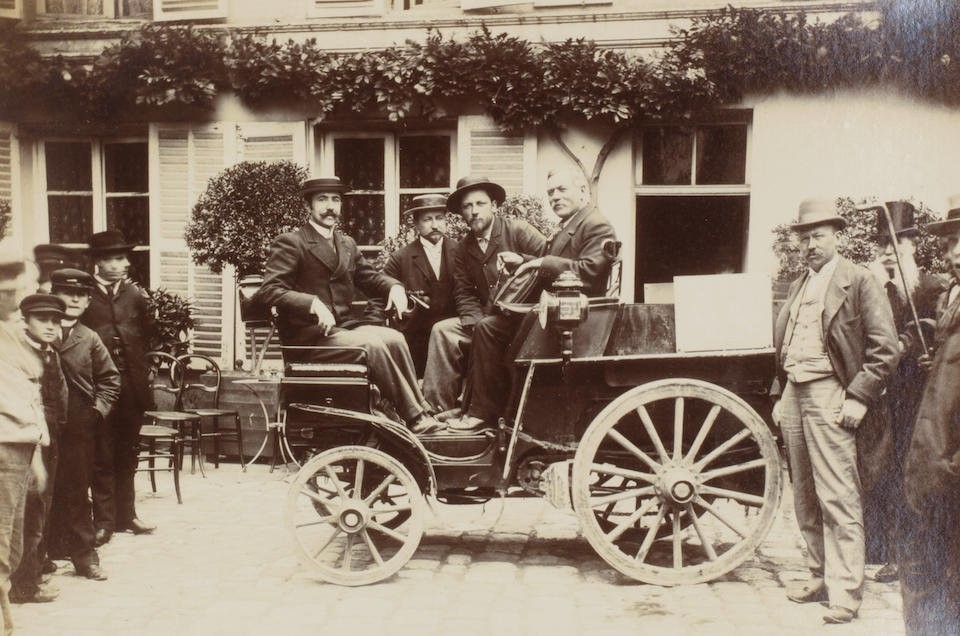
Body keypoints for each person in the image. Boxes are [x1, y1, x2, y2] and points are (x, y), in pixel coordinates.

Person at [770, 199, 899, 624]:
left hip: (832, 390)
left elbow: (885, 348)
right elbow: (785, 343)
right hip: (795, 389)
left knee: (837, 494)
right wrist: (779, 391)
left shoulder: (858, 280)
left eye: (818, 236)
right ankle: (818, 574)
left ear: (837, 236)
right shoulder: (798, 284)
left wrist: (859, 396)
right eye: (804, 237)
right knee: (804, 492)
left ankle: (845, 591)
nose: (810, 245)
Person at [254, 176, 444, 435]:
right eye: (322, 200)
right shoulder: (292, 242)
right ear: (309, 206)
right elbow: (270, 290)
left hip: (342, 330)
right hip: (309, 340)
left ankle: (420, 408)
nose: (330, 206)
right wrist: (310, 303)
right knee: (372, 345)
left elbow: (369, 278)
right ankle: (414, 417)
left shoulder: (346, 244)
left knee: (393, 337)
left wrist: (394, 286)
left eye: (335, 200)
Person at [447, 167, 617, 432]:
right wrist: (524, 261)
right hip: (557, 313)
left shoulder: (595, 224)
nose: (555, 197)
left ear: (583, 191)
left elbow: (590, 273)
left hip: (573, 320)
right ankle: (480, 407)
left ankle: (482, 412)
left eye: (562, 190)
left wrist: (541, 262)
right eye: (550, 192)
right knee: (489, 325)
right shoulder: (572, 224)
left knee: (488, 328)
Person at [863, 202, 947, 582]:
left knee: (907, 471)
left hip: (917, 393)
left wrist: (915, 343)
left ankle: (907, 551)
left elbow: (936, 333)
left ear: (912, 245)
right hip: (883, 394)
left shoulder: (929, 287)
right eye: (882, 244)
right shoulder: (873, 289)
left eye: (896, 242)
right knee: (879, 470)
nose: (888, 251)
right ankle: (879, 547)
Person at [423, 175, 546, 418]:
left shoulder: (519, 231)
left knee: (486, 330)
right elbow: (464, 291)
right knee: (443, 331)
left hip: (525, 320)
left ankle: (476, 409)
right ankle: (438, 411)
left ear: (494, 206)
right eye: (467, 207)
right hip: (484, 319)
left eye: (480, 204)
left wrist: (523, 262)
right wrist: (474, 322)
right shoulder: (462, 249)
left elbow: (550, 264)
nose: (474, 211)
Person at [899, 196, 960, 636]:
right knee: (927, 580)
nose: (953, 252)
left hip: (951, 471)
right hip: (935, 467)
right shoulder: (952, 298)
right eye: (952, 242)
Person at [80, 230, 156, 545]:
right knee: (102, 452)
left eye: (123, 258)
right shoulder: (83, 295)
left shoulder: (136, 295)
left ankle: (128, 515)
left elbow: (151, 335)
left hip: (132, 387)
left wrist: (147, 372)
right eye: (113, 258)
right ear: (97, 262)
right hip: (98, 388)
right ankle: (104, 522)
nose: (121, 264)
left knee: (128, 451)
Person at [46, 269, 119, 582]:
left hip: (79, 423)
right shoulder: (37, 335)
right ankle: (42, 555)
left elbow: (110, 380)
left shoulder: (89, 338)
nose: (74, 299)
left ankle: (85, 557)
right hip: (42, 421)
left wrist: (96, 411)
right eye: (66, 292)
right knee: (42, 488)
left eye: (81, 295)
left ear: (89, 301)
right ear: (54, 296)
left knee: (77, 488)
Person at [0, 253, 50, 635]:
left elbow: (32, 394)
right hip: (3, 444)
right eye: (9, 292)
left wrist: (36, 458)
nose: (15, 299)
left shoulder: (16, 333)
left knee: (12, 547)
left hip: (21, 447)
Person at [9, 294, 68, 605]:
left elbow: (59, 398)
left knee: (39, 511)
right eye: (42, 320)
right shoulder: (16, 355)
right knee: (26, 515)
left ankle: (29, 576)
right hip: (24, 443)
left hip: (49, 441)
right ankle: (23, 584)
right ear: (26, 321)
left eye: (55, 321)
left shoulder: (51, 354)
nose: (50, 326)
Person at [381, 194, 459, 377]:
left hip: (451, 340)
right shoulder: (401, 258)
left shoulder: (460, 252)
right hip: (415, 340)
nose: (435, 225)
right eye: (427, 219)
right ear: (416, 224)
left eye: (439, 218)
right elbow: (381, 290)